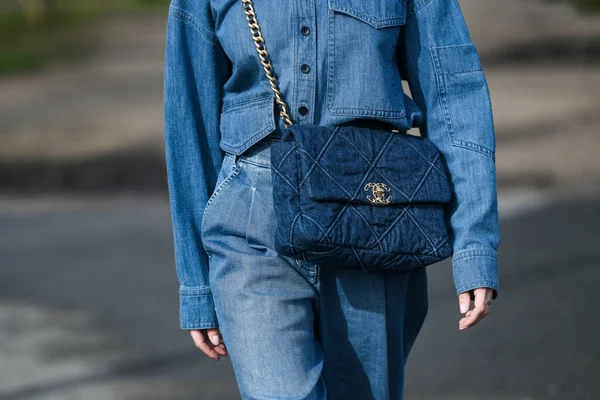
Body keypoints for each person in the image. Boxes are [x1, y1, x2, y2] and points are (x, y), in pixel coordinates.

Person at [163, 0, 499, 398]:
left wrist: (474, 244)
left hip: (375, 219)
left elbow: (453, 95)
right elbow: (189, 126)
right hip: (252, 229)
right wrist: (196, 285)